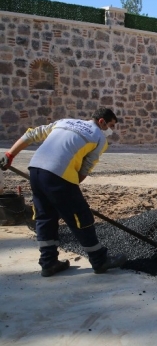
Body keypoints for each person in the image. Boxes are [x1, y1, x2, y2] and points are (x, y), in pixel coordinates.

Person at [0, 107, 127, 277]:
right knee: (81, 217)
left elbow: (32, 134)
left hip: (36, 170)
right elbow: (85, 169)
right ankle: (99, 260)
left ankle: (48, 262)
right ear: (101, 121)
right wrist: (70, 192)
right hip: (58, 176)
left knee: (45, 216)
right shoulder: (99, 138)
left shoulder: (65, 122)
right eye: (110, 126)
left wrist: (10, 155)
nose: (110, 130)